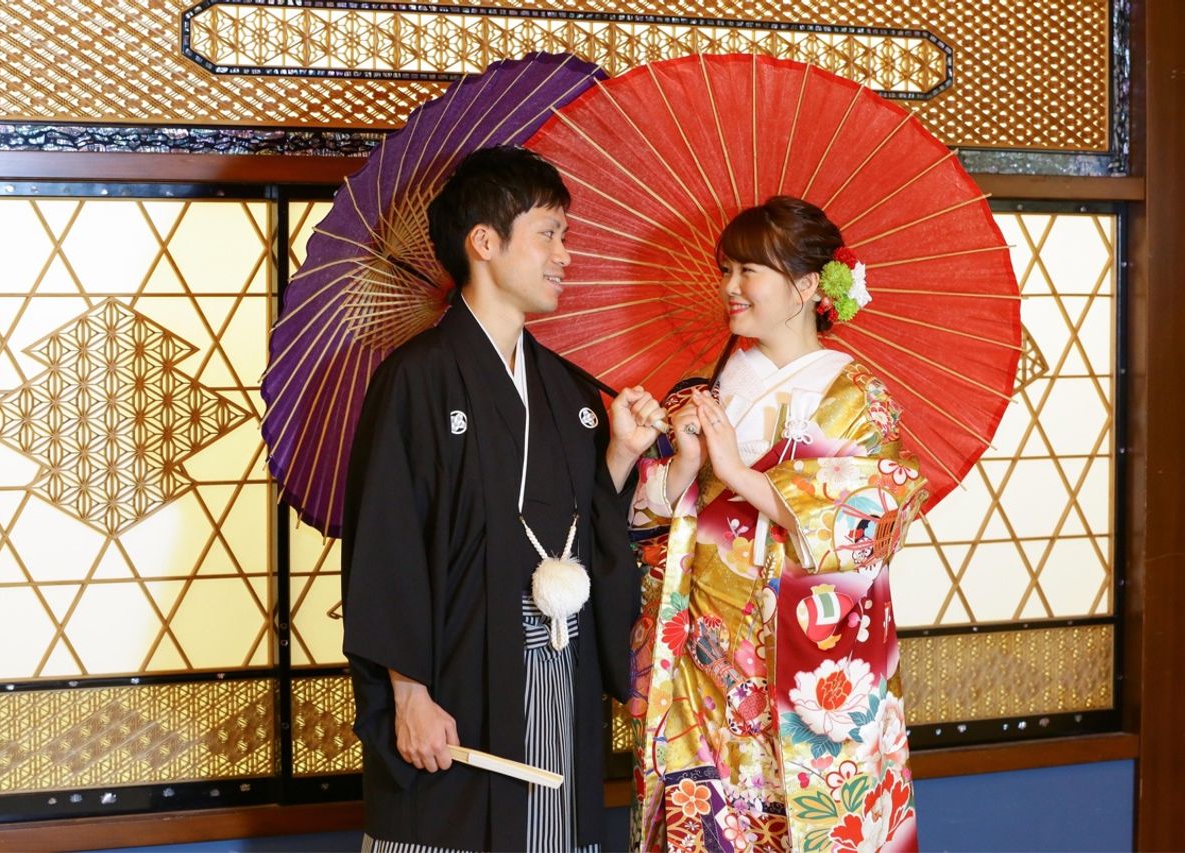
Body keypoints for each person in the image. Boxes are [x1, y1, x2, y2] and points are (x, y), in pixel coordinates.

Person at [341, 146, 666, 852]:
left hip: (559, 666)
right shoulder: (418, 378)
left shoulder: (568, 389)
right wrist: (408, 692)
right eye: (549, 233)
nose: (565, 256)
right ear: (484, 242)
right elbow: (387, 542)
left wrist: (620, 454)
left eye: (565, 235)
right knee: (449, 827)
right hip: (455, 669)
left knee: (549, 829)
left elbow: (583, 527)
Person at [627, 197, 927, 852]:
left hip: (807, 660)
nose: (730, 287)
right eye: (726, 269)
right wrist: (684, 465)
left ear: (807, 285)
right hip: (703, 653)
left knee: (808, 823)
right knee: (701, 823)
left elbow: (866, 529)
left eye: (750, 271)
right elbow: (643, 526)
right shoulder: (706, 388)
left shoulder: (858, 396)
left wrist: (736, 472)